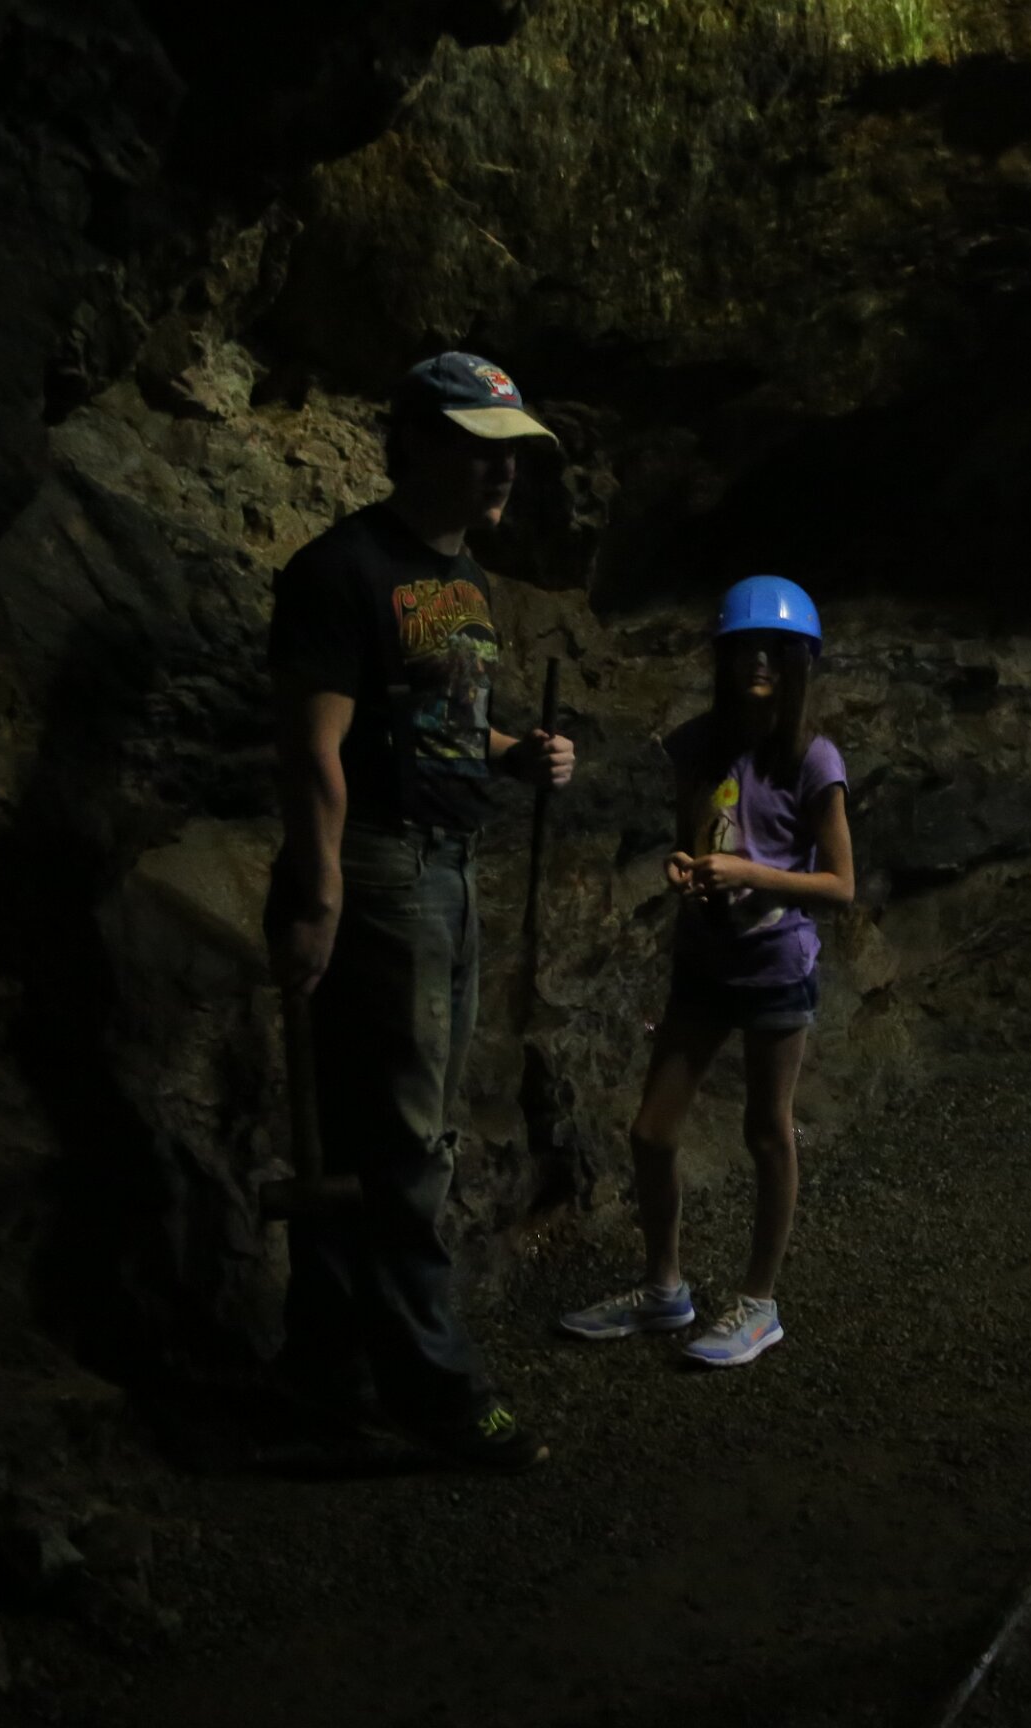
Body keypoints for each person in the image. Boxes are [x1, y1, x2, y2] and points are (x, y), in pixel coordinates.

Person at [264, 351, 576, 1472]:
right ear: (415, 443)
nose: (502, 471)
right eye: (479, 447)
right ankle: (436, 1393)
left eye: (511, 452)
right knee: (404, 1145)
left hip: (451, 865)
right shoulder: (339, 570)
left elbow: (440, 722)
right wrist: (320, 892)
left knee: (390, 1132)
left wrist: (515, 752)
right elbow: (316, 749)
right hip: (383, 867)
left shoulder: (465, 582)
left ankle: (327, 1375)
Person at [557, 574, 853, 1368]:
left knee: (766, 1130)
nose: (758, 660)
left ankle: (759, 1303)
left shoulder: (812, 759)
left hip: (775, 966)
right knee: (652, 1131)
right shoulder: (693, 745)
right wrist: (683, 866)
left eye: (774, 649)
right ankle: (664, 1288)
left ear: (798, 662)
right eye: (743, 648)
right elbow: (692, 836)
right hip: (704, 960)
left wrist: (750, 874)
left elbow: (840, 884)